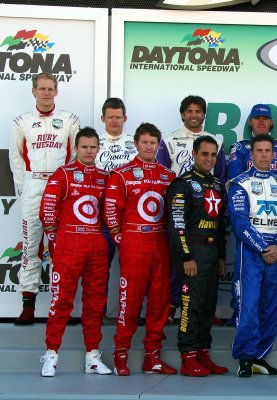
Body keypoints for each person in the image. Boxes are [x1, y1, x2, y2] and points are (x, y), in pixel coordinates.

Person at [104, 123, 176, 376]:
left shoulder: (169, 175)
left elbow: (175, 213)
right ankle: (120, 355)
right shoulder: (122, 174)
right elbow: (111, 209)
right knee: (130, 303)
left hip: (160, 244)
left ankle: (152, 357)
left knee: (160, 302)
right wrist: (120, 237)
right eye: (144, 142)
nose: (148, 147)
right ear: (136, 144)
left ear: (158, 145)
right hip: (134, 245)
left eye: (153, 143)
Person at [39, 128, 111, 377]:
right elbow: (48, 207)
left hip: (97, 249)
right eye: (84, 147)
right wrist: (55, 239)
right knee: (61, 302)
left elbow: (111, 212)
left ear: (98, 148)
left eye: (93, 147)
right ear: (76, 149)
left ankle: (93, 356)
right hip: (69, 247)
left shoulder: (104, 176)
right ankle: (51, 355)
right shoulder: (63, 174)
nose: (89, 151)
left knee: (94, 304)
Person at [9, 72, 80, 325]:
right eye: (42, 88)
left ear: (57, 91)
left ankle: (62, 307)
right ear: (33, 91)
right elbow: (16, 159)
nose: (47, 93)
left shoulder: (70, 120)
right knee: (30, 246)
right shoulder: (21, 122)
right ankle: (27, 305)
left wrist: (67, 187)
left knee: (61, 249)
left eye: (51, 89)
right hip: (33, 184)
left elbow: (75, 156)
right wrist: (25, 188)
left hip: (60, 185)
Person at [228, 134, 277, 377]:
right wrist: (262, 247)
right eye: (259, 151)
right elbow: (239, 222)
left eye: (268, 151)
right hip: (251, 252)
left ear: (274, 155)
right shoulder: (239, 183)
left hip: (275, 253)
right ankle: (245, 357)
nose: (264, 155)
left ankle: (260, 356)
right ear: (252, 155)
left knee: (270, 306)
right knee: (249, 305)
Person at [227, 104, 277, 328]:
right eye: (256, 119)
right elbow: (235, 179)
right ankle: (238, 313)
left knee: (275, 269)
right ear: (250, 122)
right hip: (249, 214)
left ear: (271, 123)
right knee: (243, 274)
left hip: (275, 213)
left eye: (265, 119)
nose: (260, 122)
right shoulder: (239, 147)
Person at [157, 95, 226, 324]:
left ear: (204, 114)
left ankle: (204, 313)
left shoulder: (216, 140)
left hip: (207, 209)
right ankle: (172, 306)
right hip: (180, 205)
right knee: (179, 261)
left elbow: (222, 175)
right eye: (190, 111)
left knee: (206, 267)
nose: (194, 115)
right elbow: (162, 174)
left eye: (198, 111)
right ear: (182, 114)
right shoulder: (169, 140)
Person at [166, 135, 228, 377]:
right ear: (194, 154)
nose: (209, 159)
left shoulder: (217, 185)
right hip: (192, 253)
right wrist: (186, 256)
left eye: (213, 155)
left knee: (207, 306)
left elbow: (221, 225)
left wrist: (221, 256)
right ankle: (188, 356)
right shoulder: (182, 184)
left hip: (212, 254)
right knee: (191, 306)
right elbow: (177, 224)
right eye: (205, 154)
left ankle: (203, 353)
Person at [96, 98, 137, 324]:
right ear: (103, 118)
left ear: (125, 118)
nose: (114, 121)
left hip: (129, 217)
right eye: (110, 117)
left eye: (118, 117)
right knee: (99, 269)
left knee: (131, 269)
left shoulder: (135, 143)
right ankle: (97, 312)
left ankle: (129, 313)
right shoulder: (92, 142)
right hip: (101, 217)